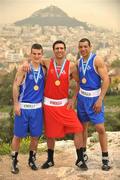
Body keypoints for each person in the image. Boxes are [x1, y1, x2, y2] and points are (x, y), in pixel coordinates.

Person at [22, 40, 88, 171]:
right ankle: (50, 160)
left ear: (65, 50)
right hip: (49, 105)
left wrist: (73, 99)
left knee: (78, 128)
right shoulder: (47, 62)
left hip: (64, 105)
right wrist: (25, 62)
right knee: (50, 135)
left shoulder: (71, 66)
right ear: (53, 50)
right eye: (57, 48)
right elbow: (33, 60)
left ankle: (80, 159)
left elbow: (79, 83)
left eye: (61, 48)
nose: (59, 50)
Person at [77, 38, 111, 171]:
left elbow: (106, 79)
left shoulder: (97, 60)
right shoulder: (79, 62)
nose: (83, 49)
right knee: (82, 128)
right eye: (81, 47)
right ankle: (84, 153)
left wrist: (100, 99)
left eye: (85, 46)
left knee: (100, 129)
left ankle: (105, 158)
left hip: (94, 99)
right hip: (82, 99)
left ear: (90, 47)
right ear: (78, 48)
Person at [11, 43, 45, 174]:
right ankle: (14, 161)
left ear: (42, 54)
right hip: (23, 107)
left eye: (39, 54)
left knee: (35, 137)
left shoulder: (44, 69)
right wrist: (16, 104)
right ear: (30, 54)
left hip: (37, 109)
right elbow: (15, 85)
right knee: (18, 136)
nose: (36, 56)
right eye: (34, 54)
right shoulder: (24, 68)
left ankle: (32, 159)